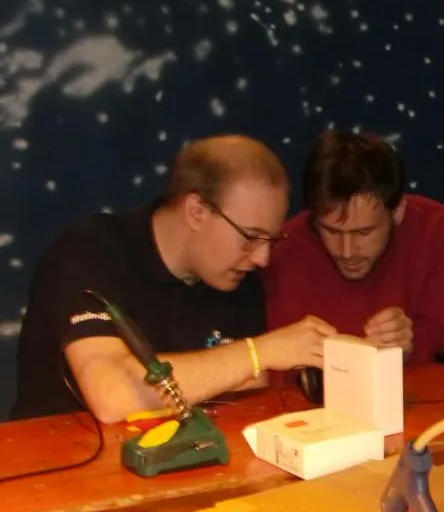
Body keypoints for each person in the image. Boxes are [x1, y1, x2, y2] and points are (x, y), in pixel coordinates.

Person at [10, 135, 336, 423]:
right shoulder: (89, 251)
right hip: (58, 463)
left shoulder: (238, 278)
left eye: (270, 241)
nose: (262, 258)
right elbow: (114, 395)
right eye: (250, 237)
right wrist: (257, 352)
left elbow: (250, 387)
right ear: (196, 211)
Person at [263, 131, 444, 365]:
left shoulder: (435, 230)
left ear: (398, 211)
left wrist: (412, 344)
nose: (347, 252)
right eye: (331, 231)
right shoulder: (283, 249)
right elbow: (272, 366)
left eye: (363, 232)